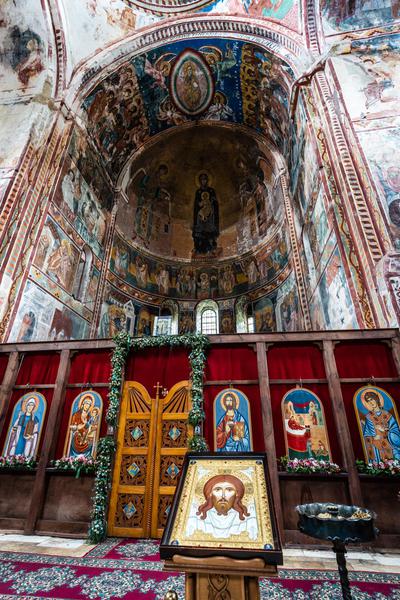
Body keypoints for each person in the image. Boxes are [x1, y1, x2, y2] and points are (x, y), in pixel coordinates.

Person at [186, 474, 257, 540]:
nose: (223, 496)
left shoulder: (249, 521)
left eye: (229, 490)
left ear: (237, 494)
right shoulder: (196, 519)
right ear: (210, 494)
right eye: (218, 489)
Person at [362, 390, 400, 461]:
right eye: (368, 401)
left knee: (395, 454)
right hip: (377, 446)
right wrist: (373, 438)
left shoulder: (388, 415)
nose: (371, 402)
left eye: (372, 399)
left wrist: (386, 432)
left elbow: (396, 431)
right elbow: (366, 435)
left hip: (389, 443)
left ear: (376, 399)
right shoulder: (369, 417)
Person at [192, 173, 219, 254]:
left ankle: (211, 247)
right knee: (200, 231)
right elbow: (196, 205)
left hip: (210, 215)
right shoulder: (198, 191)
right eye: (202, 179)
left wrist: (212, 202)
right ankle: (199, 248)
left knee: (209, 231)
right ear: (200, 181)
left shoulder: (211, 191)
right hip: (201, 216)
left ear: (207, 180)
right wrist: (200, 204)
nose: (203, 181)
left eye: (205, 179)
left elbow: (215, 203)